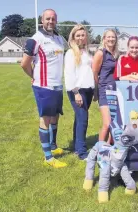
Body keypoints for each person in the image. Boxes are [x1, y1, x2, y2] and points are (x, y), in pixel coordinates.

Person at [20, 9, 67, 168]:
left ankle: (53, 147)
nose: (50, 21)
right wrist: (34, 76)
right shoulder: (35, 39)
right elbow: (24, 64)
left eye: (53, 19)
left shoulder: (60, 39)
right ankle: (48, 158)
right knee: (46, 119)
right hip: (43, 86)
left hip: (57, 86)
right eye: (47, 19)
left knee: (55, 117)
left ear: (56, 20)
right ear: (42, 20)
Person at [64, 24, 95, 160]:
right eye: (78, 35)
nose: (81, 37)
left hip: (88, 89)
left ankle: (76, 146)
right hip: (77, 90)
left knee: (79, 118)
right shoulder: (71, 53)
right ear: (73, 37)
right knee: (83, 119)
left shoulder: (88, 52)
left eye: (83, 35)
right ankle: (82, 152)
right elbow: (69, 74)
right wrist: (76, 92)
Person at [92, 29, 119, 145]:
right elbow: (94, 73)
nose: (111, 39)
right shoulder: (100, 53)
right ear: (104, 39)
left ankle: (109, 145)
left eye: (113, 37)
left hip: (116, 91)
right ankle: (99, 149)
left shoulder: (116, 54)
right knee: (107, 123)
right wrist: (99, 89)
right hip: (104, 91)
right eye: (108, 37)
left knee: (114, 122)